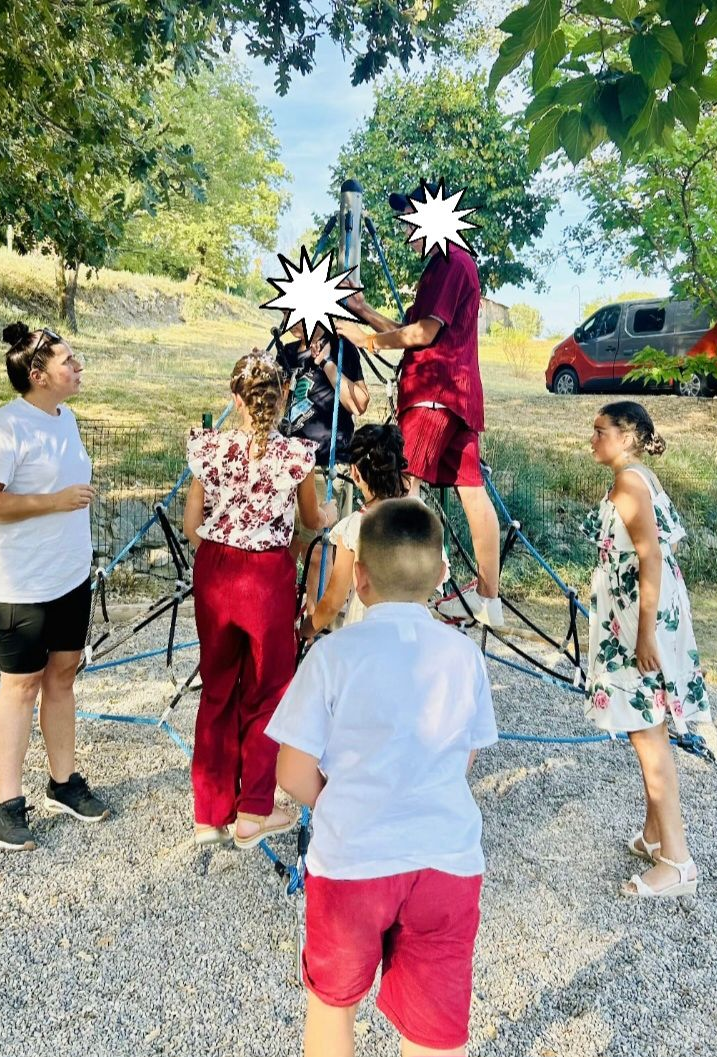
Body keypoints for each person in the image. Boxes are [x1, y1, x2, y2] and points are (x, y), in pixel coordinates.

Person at [267, 499, 497, 1057]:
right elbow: (464, 757)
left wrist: (340, 799)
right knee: (432, 1028)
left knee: (332, 1006)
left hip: (352, 864)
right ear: (443, 575)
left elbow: (292, 773)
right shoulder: (466, 656)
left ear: (360, 580)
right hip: (446, 861)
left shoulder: (332, 657)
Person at [0, 322, 108, 853]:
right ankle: (5, 805)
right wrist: (53, 501)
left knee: (63, 677)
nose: (78, 367)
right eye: (68, 360)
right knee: (19, 687)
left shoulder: (64, 418)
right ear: (37, 374)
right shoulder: (5, 428)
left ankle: (63, 784)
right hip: (19, 585)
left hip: (69, 576)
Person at [182, 351, 337, 849]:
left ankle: (209, 813)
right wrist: (331, 513)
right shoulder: (295, 457)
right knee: (269, 689)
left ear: (235, 398)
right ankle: (253, 811)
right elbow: (312, 520)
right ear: (284, 396)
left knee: (217, 684)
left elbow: (192, 526)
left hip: (217, 571)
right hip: (266, 575)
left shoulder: (209, 450)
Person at [336, 180, 503, 627]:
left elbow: (421, 337)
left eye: (410, 217)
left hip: (434, 393)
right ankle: (489, 595)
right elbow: (408, 328)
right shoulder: (442, 268)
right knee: (471, 488)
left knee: (400, 487)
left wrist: (367, 340)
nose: (406, 228)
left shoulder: (450, 262)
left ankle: (401, 597)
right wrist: (363, 310)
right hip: (458, 394)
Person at [581, 401, 710, 898]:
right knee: (649, 724)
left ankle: (677, 861)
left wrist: (644, 634)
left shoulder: (630, 483)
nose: (592, 439)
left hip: (641, 616)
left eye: (600, 431)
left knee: (647, 733)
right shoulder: (640, 476)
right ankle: (655, 834)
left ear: (628, 435)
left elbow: (651, 558)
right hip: (644, 610)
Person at [301, 423, 447, 636]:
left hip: (366, 630)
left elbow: (334, 601)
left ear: (355, 473)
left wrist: (305, 630)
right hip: (412, 633)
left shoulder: (355, 527)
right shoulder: (420, 515)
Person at [278, 322, 370, 610]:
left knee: (320, 551)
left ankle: (314, 633)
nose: (287, 319)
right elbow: (277, 404)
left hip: (325, 463)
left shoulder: (343, 349)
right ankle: (283, 619)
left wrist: (327, 364)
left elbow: (359, 404)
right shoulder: (288, 353)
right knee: (287, 549)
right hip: (288, 464)